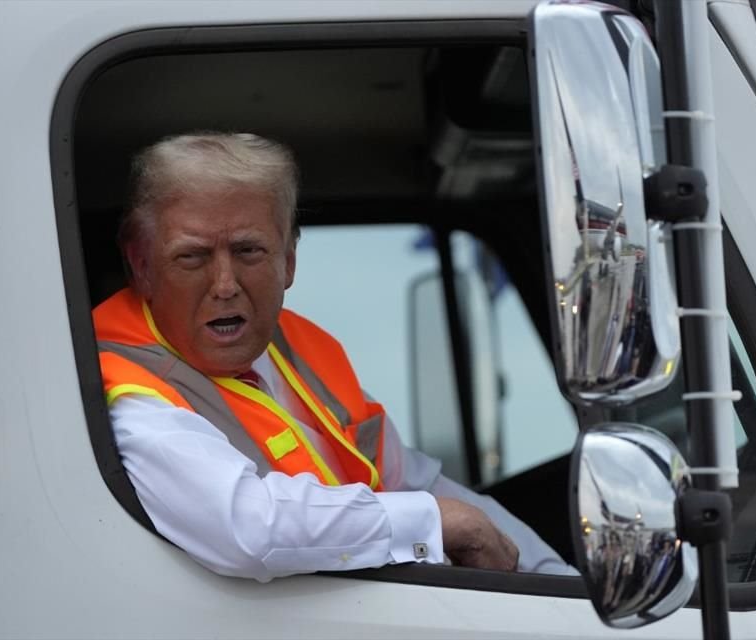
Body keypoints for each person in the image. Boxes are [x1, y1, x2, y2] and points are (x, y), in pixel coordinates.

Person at [93, 132, 574, 582]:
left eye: (248, 251)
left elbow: (413, 481)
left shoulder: (298, 351)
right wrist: (432, 523)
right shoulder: (125, 388)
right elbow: (248, 529)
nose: (224, 285)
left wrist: (560, 586)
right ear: (141, 266)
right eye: (192, 257)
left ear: (290, 262)